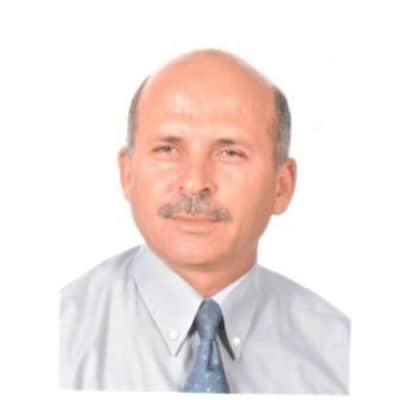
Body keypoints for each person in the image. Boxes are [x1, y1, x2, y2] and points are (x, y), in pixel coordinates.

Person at [59, 49, 350, 393]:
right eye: (168, 149)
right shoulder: (56, 339)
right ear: (128, 174)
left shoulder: (343, 355)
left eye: (230, 153)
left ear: (282, 186)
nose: (196, 183)